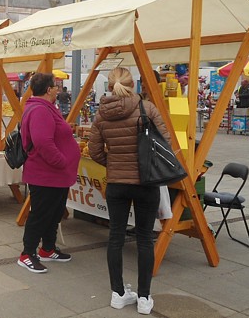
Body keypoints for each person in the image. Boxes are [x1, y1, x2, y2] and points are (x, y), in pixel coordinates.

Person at [88, 67, 170, 315]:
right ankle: (144, 298)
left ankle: (118, 294)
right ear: (132, 85)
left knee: (116, 237)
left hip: (116, 184)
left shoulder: (101, 115)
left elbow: (94, 151)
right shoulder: (148, 108)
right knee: (145, 239)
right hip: (146, 183)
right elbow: (164, 143)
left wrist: (112, 164)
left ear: (110, 86)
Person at [17, 72, 81, 273]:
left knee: (53, 214)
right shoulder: (39, 110)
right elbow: (43, 142)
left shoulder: (45, 108)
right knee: (41, 214)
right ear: (48, 90)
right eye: (55, 86)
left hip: (55, 176)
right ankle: (27, 253)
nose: (58, 89)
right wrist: (62, 161)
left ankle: (48, 248)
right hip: (46, 174)